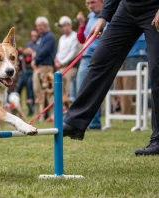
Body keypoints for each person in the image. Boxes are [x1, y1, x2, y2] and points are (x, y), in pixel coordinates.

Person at [63, 0, 159, 156]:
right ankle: (75, 123)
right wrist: (103, 16)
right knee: (100, 60)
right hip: (127, 8)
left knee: (157, 71)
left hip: (154, 7)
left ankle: (158, 140)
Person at [74, 0, 106, 129]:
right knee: (80, 90)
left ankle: (94, 123)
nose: (90, 6)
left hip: (98, 56)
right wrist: (82, 25)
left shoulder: (108, 16)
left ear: (102, 1)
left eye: (93, 2)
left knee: (94, 90)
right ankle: (82, 121)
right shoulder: (91, 16)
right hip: (85, 56)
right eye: (87, 3)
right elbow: (82, 39)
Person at [114, 34, 148, 115]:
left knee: (129, 88)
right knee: (119, 88)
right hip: (120, 55)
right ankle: (124, 112)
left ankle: (128, 114)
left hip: (134, 55)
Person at [32, 16, 56, 120]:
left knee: (48, 92)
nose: (38, 27)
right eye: (37, 26)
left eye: (40, 25)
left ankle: (52, 115)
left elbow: (44, 52)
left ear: (46, 25)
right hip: (39, 67)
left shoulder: (49, 37)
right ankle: (39, 116)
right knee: (38, 92)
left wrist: (35, 60)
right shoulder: (41, 37)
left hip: (46, 67)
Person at [54, 16, 79, 107]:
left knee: (70, 90)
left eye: (64, 26)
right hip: (61, 68)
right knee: (60, 90)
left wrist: (62, 62)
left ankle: (71, 109)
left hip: (70, 67)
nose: (62, 28)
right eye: (61, 26)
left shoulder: (75, 36)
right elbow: (59, 52)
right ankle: (63, 109)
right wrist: (57, 60)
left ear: (69, 25)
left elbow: (73, 52)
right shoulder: (62, 38)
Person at [16, 29, 38, 116]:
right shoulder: (28, 44)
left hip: (32, 71)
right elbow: (26, 52)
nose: (33, 37)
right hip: (24, 71)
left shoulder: (38, 45)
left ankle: (30, 109)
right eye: (32, 35)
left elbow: (30, 52)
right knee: (18, 90)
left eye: (35, 35)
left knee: (30, 90)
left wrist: (30, 51)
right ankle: (17, 109)